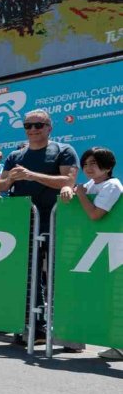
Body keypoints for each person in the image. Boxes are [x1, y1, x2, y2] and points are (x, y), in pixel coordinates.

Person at [0, 109, 77, 345]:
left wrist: (32, 175)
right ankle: (35, 328)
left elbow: (68, 181)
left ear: (49, 127)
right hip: (24, 223)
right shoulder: (14, 156)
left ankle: (66, 330)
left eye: (38, 125)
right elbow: (1, 186)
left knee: (57, 275)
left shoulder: (64, 150)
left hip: (55, 221)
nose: (32, 129)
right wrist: (12, 178)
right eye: (28, 126)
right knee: (28, 277)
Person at [60, 147, 122, 360]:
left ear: (108, 166)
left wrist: (81, 195)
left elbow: (96, 214)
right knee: (85, 292)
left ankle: (118, 345)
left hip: (111, 249)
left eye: (93, 163)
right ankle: (76, 336)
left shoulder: (113, 185)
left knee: (112, 296)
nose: (88, 168)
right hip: (90, 249)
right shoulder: (89, 185)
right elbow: (75, 192)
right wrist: (69, 190)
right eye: (85, 164)